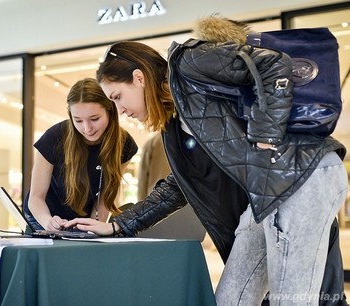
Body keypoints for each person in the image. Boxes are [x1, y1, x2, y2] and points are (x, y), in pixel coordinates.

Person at [64, 16, 348, 305]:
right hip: (267, 191)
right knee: (231, 300)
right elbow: (178, 187)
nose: (119, 109)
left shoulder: (188, 62)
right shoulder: (177, 121)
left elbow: (274, 64)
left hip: (301, 175)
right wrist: (118, 226)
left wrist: (267, 132)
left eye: (117, 96)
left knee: (292, 300)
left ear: (138, 78)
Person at [24, 78, 138, 231]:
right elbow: (36, 198)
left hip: (82, 218)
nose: (87, 128)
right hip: (43, 217)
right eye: (78, 120)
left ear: (110, 111)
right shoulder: (54, 137)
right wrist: (48, 222)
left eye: (95, 119)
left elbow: (105, 196)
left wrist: (92, 229)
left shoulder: (124, 144)